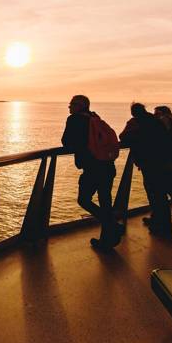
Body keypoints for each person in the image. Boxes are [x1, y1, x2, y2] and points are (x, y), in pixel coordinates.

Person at [61, 95, 121, 250]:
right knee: (105, 202)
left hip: (92, 168)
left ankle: (111, 227)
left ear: (80, 105)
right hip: (107, 165)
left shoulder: (75, 119)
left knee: (83, 199)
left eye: (72, 104)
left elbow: (66, 142)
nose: (69, 107)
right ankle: (107, 239)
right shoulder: (94, 117)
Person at [119, 102, 172, 239]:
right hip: (163, 161)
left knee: (154, 193)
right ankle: (162, 224)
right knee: (161, 195)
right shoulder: (155, 120)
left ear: (134, 112)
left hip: (149, 163)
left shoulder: (135, 122)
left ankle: (162, 227)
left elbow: (123, 137)